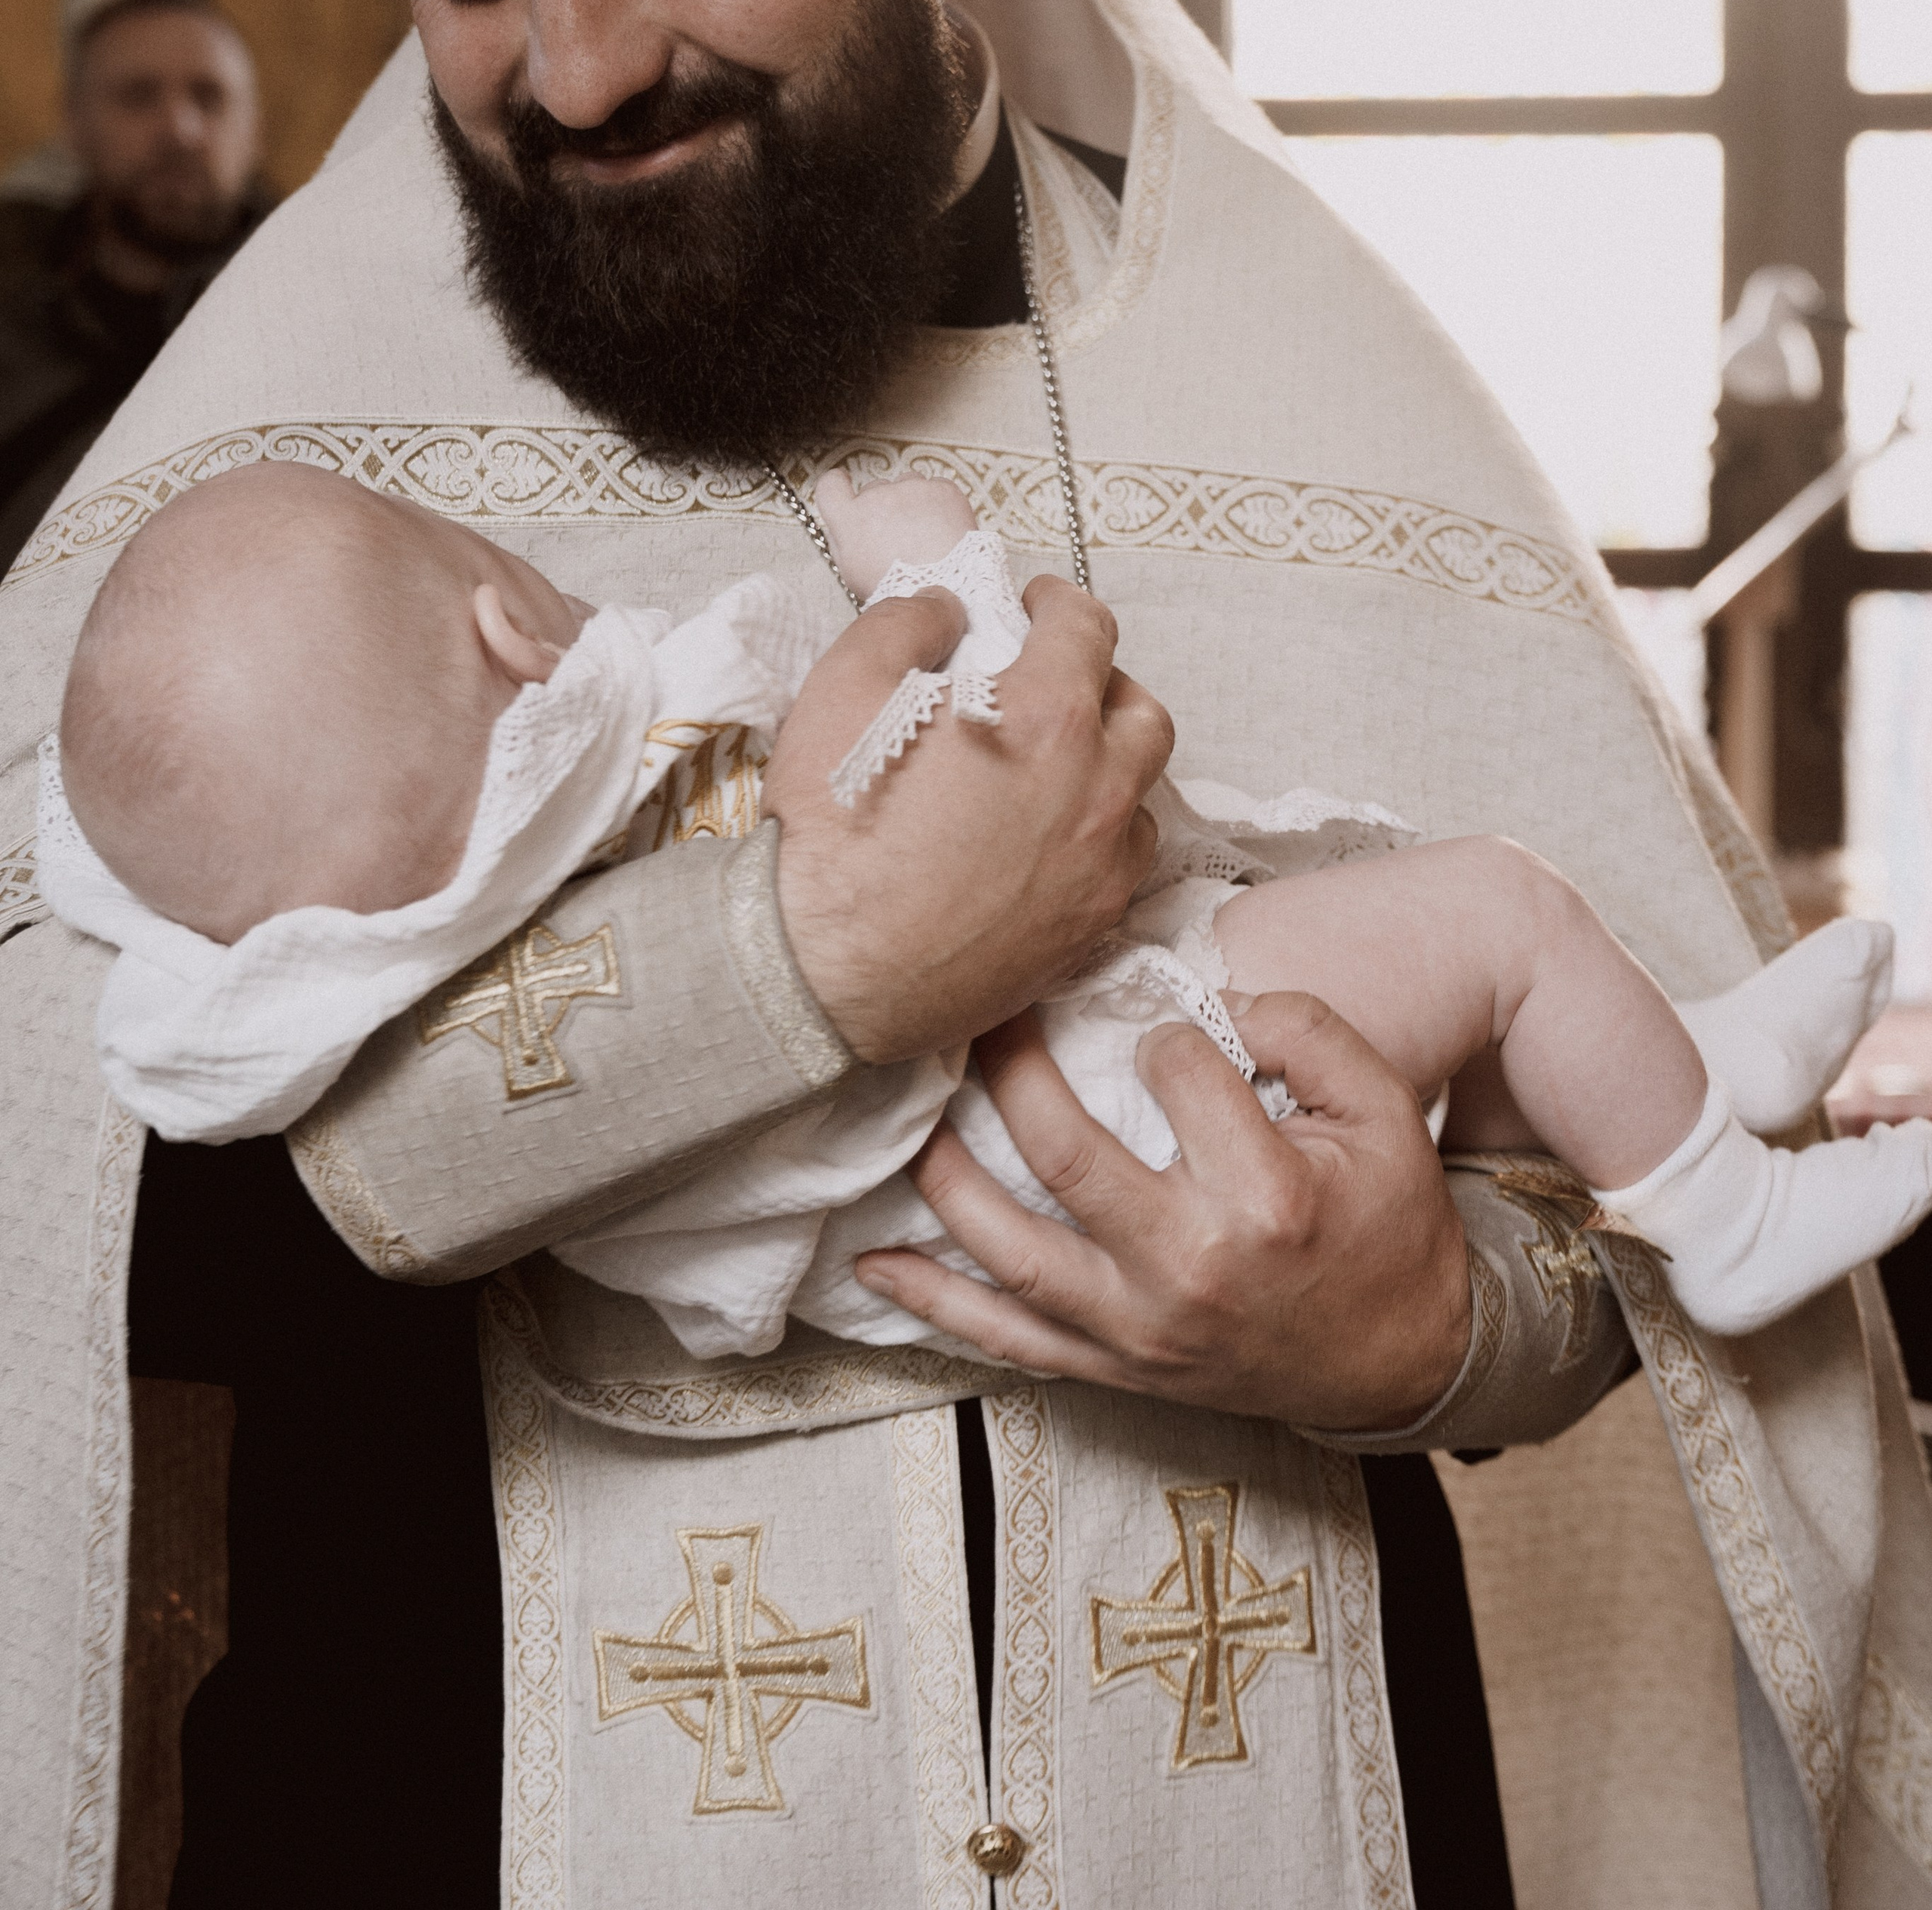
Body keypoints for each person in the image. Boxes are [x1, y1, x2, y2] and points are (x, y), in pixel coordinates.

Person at [4, 0, 1930, 1910]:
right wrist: (805, 962)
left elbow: (1625, 1213)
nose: (567, 70)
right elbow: (98, 1177)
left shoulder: (1318, 411)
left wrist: (1428, 1335)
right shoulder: (262, 491)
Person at [43, 454, 1921, 1355]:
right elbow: (951, 750)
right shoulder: (658, 750)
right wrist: (935, 571)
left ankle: (1683, 1072)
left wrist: (1412, 1339)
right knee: (1495, 911)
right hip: (1089, 1088)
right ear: (506, 620)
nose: (582, 53)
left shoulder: (330, 894)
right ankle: (1727, 1191)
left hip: (979, 1206)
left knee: (1434, 1026)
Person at [0, 0, 269, 567]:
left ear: (254, 130)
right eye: (138, 96)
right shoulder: (10, 341)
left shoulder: (340, 328)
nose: (180, 129)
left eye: (209, 96)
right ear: (74, 124)